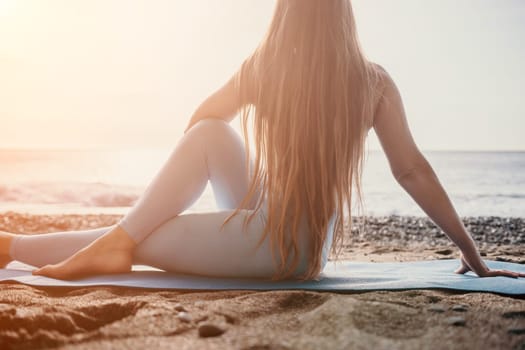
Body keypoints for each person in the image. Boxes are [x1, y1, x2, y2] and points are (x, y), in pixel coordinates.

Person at [0, 0, 523, 281]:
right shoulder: (372, 81)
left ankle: (19, 246)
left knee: (141, 235)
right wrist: (471, 253)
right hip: (299, 243)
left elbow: (202, 117)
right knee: (208, 141)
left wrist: (186, 207)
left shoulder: (265, 68)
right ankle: (123, 237)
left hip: (276, 251)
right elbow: (413, 172)